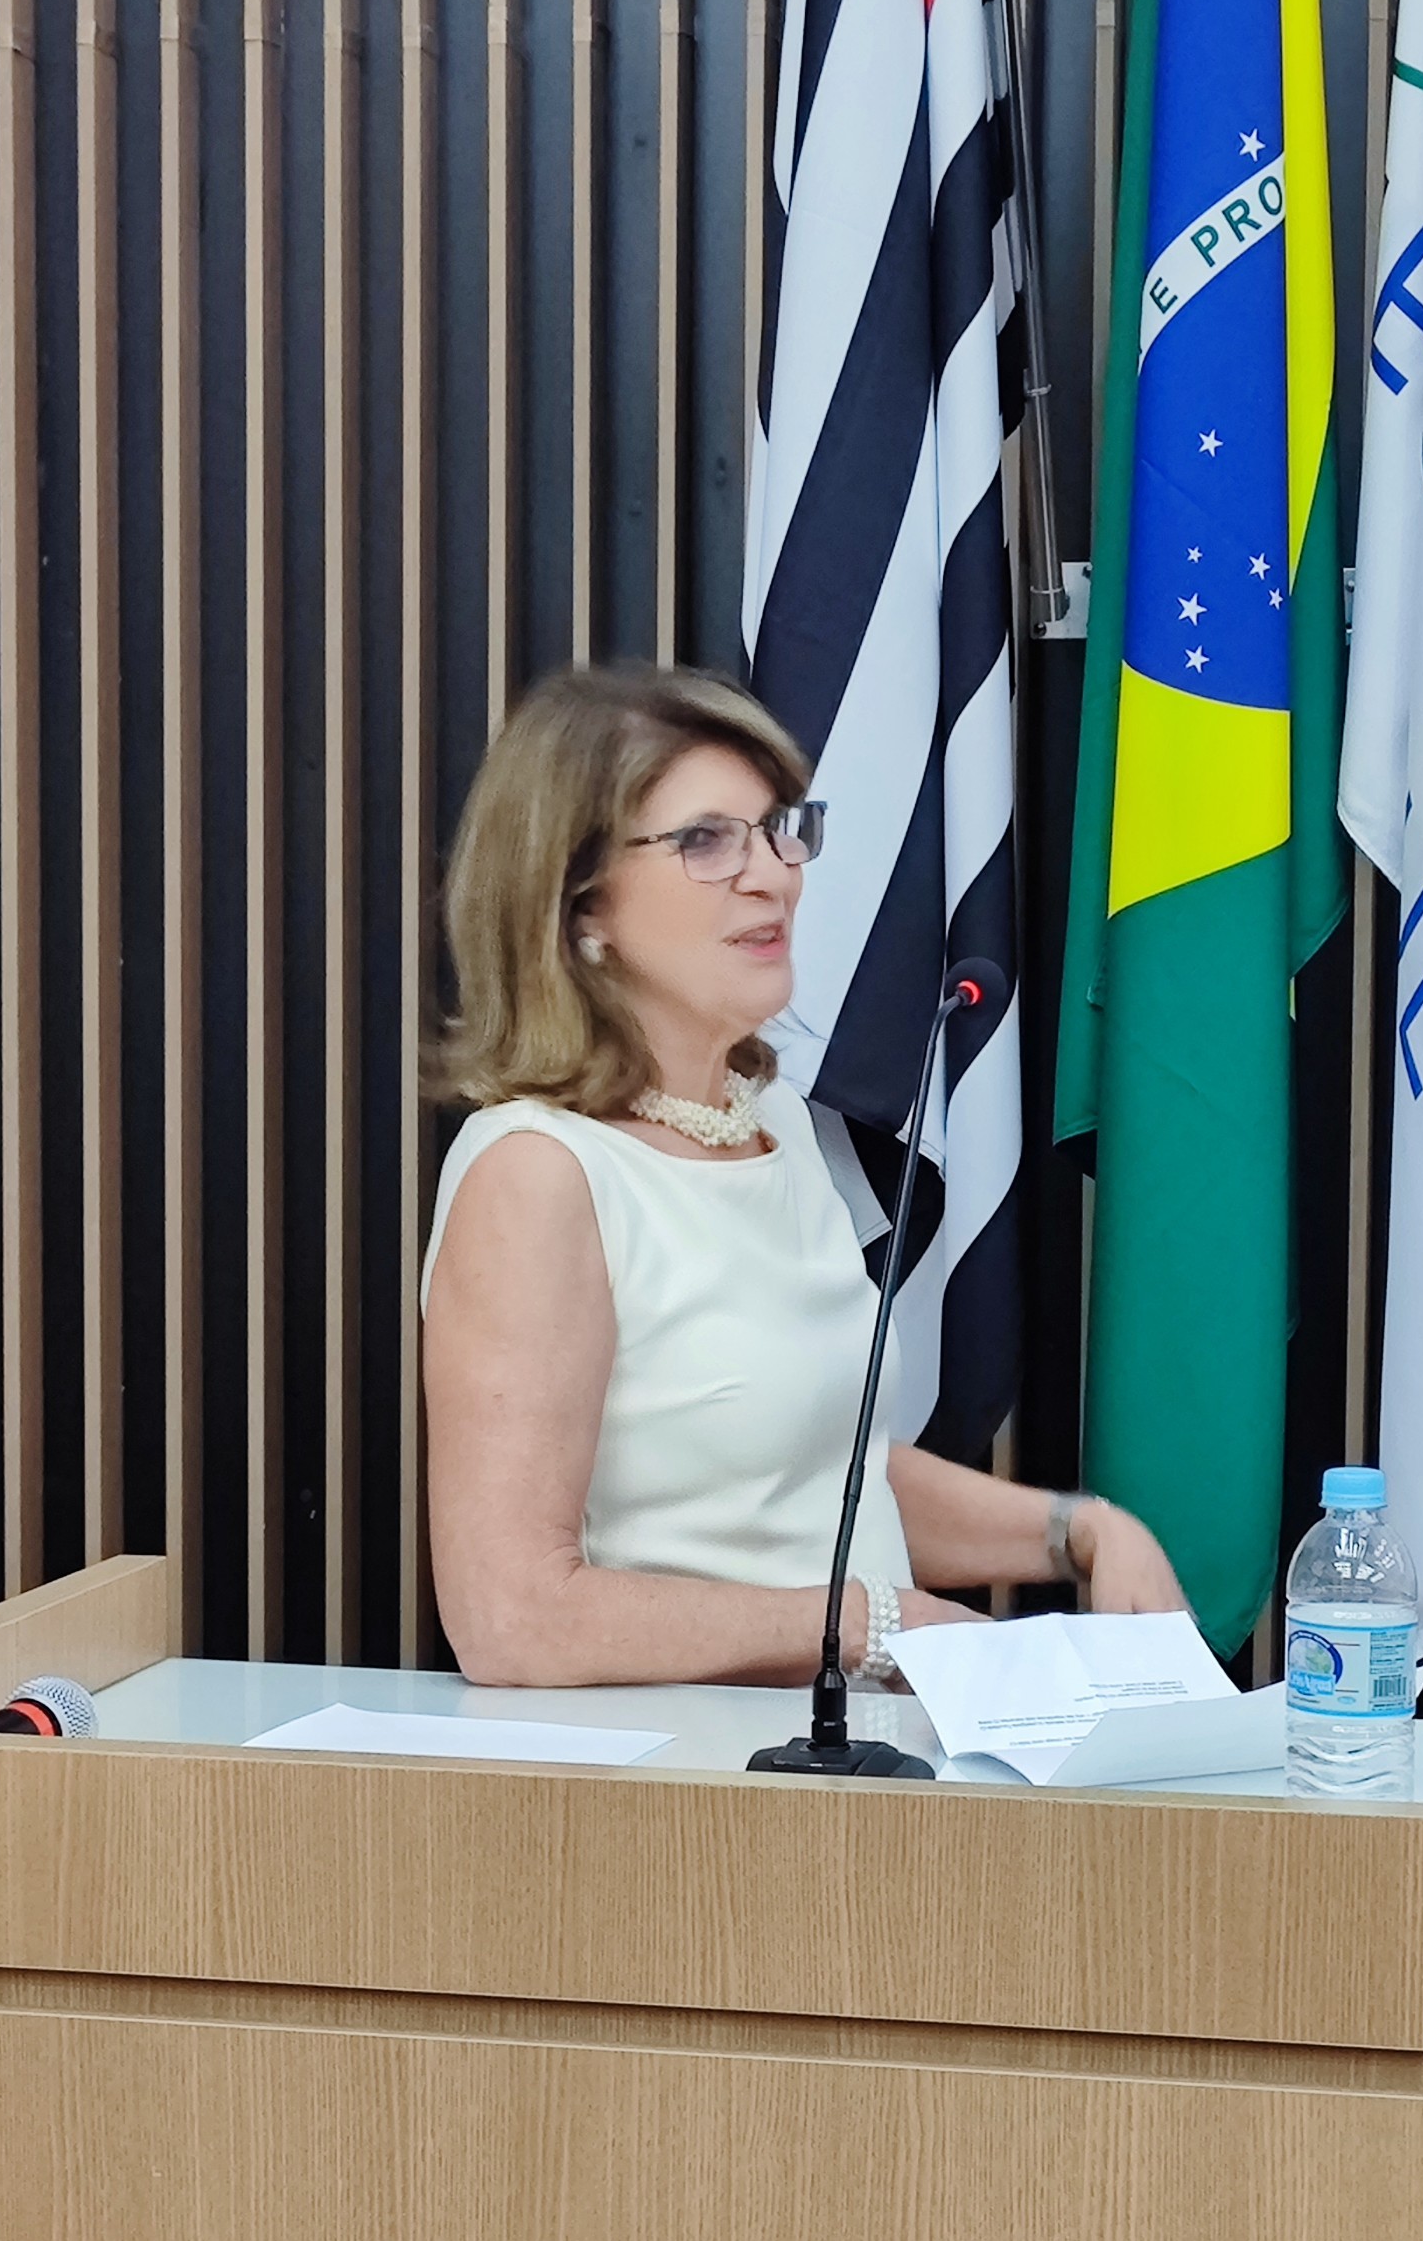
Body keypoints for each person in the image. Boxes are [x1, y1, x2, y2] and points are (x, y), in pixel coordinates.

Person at [422, 664, 1188, 1688]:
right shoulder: (537, 1174)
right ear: (580, 906)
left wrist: (1077, 1531)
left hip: (854, 1757)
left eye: (779, 829)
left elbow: (825, 1473)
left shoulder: (771, 1120)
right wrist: (871, 1624)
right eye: (706, 840)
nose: (772, 875)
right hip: (680, 1773)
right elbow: (512, 1618)